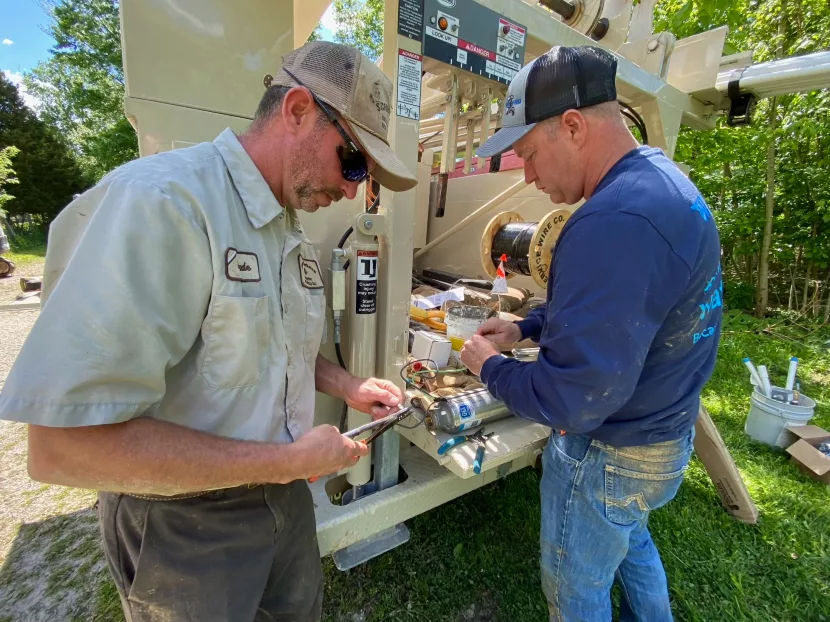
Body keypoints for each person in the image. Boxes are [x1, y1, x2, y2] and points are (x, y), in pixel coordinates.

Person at [0, 41, 417, 621]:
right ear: (297, 109)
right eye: (352, 162)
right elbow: (65, 444)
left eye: (364, 175)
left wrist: (345, 385)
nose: (352, 189)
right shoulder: (163, 204)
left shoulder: (285, 224)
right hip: (182, 530)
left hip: (285, 497)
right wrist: (287, 463)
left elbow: (267, 343)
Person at [461, 46, 722, 621]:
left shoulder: (609, 222)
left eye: (528, 153)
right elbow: (623, 309)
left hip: (610, 452)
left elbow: (571, 401)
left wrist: (487, 366)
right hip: (663, 434)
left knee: (577, 590)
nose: (526, 174)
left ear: (572, 126)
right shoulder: (662, 184)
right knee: (631, 543)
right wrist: (526, 325)